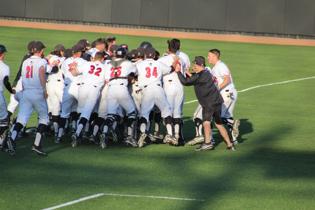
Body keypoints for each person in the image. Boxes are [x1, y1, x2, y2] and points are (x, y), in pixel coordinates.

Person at [175, 56, 235, 151]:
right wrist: (189, 74)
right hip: (217, 101)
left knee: (206, 123)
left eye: (196, 64)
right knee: (219, 124)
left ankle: (207, 143)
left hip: (209, 103)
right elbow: (197, 80)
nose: (195, 66)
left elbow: (185, 82)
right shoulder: (206, 72)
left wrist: (178, 71)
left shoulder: (199, 75)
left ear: (201, 65)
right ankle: (229, 144)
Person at [7, 41, 49, 156]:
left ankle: (12, 138)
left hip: (26, 92)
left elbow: (23, 76)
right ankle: (37, 145)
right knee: (44, 118)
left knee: (21, 119)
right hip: (37, 92)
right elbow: (41, 74)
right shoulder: (42, 61)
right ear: (40, 51)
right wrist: (44, 90)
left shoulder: (25, 61)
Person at [135, 47, 176, 147]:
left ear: (145, 55)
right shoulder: (158, 63)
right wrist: (176, 61)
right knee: (166, 112)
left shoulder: (139, 65)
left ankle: (142, 133)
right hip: (158, 89)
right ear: (154, 55)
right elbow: (171, 69)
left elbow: (132, 74)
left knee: (144, 115)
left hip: (146, 90)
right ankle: (170, 134)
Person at [208, 49, 240, 143]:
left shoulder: (220, 66)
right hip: (230, 93)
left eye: (209, 56)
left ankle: (233, 123)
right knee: (227, 116)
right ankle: (234, 139)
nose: (208, 58)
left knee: (219, 118)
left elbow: (227, 79)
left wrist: (217, 88)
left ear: (215, 56)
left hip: (226, 94)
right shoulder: (216, 67)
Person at [0, 45, 15, 149]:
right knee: (4, 119)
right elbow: (6, 82)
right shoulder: (4, 67)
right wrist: (11, 91)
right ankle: (1, 142)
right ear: (2, 54)